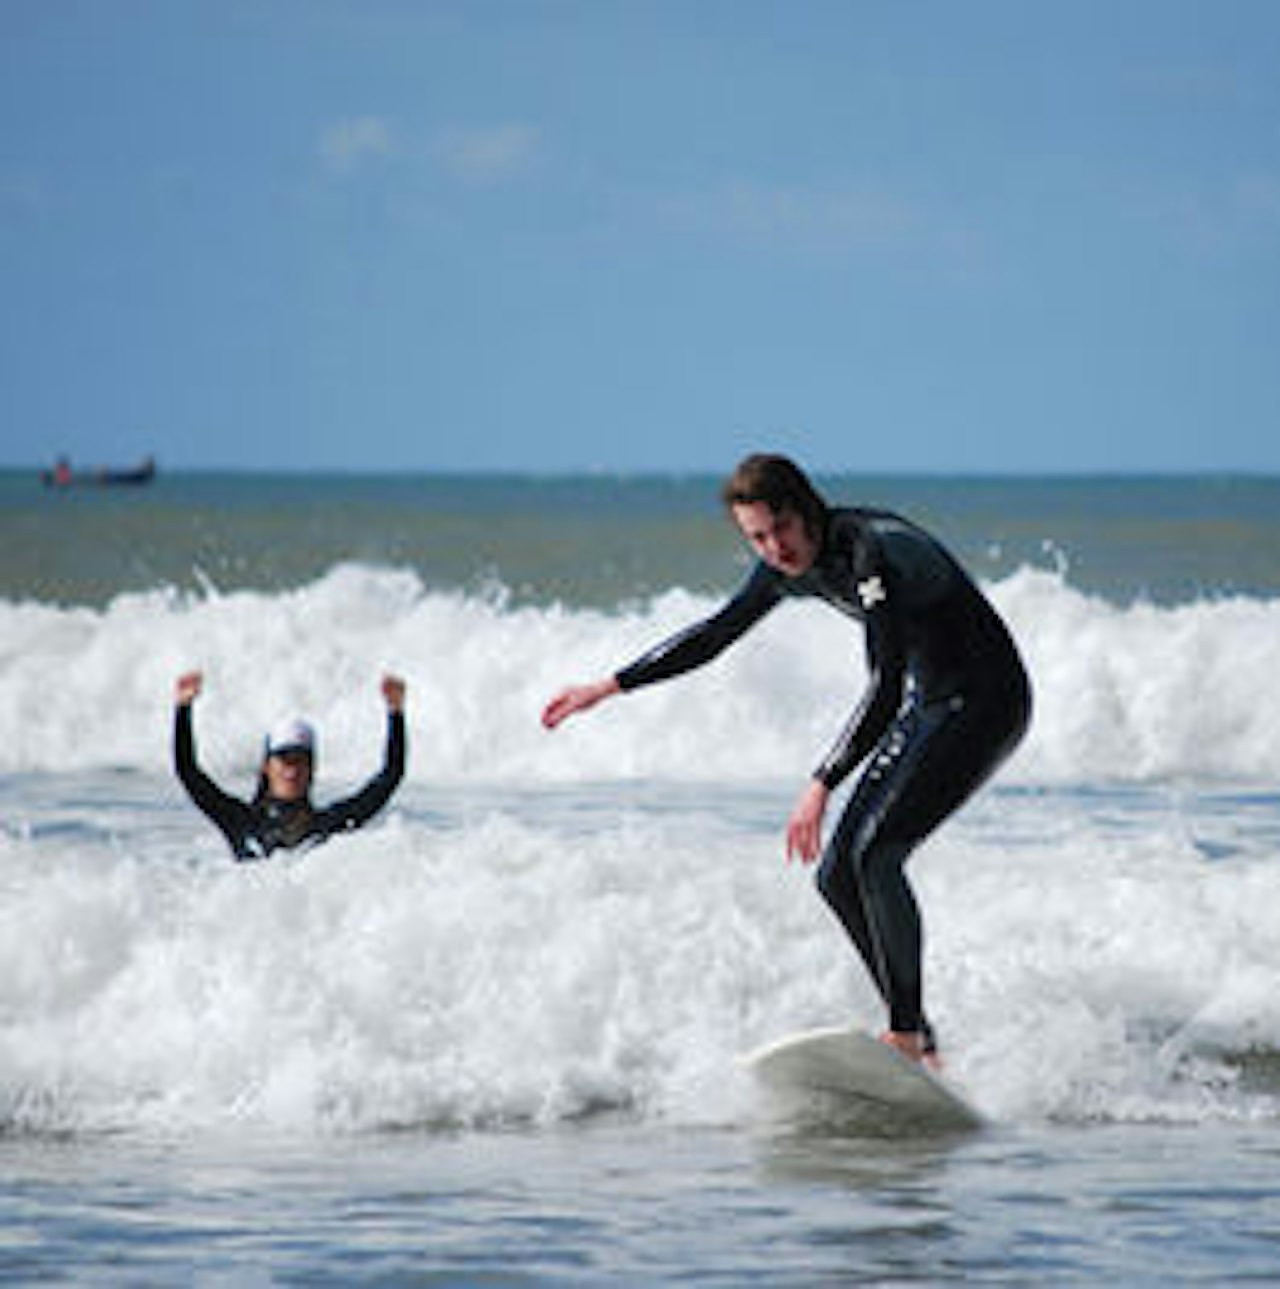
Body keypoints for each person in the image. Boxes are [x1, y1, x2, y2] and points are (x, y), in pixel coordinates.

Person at [542, 453, 1031, 1065]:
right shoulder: (784, 567)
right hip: (930, 703)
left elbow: (883, 685)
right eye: (757, 538)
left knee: (876, 857)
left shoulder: (869, 553)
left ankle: (906, 1036)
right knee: (837, 875)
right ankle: (922, 1043)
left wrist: (822, 782)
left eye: (781, 529)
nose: (775, 548)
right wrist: (608, 686)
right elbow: (715, 635)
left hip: (988, 700)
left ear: (807, 510)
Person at [173, 671, 407, 861]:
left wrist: (395, 713)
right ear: (267, 767)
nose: (292, 771)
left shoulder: (330, 826)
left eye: (301, 762)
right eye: (284, 760)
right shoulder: (241, 822)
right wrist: (183, 709)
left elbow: (390, 776)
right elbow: (188, 771)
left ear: (312, 770)